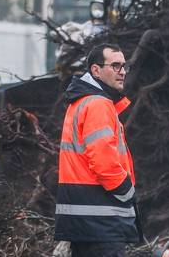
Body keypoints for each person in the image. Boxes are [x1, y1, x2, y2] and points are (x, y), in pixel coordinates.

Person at [54, 44, 142, 257]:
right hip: (101, 221)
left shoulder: (82, 101)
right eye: (115, 66)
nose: (122, 72)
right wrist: (128, 192)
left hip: (85, 220)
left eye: (124, 66)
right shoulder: (99, 105)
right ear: (96, 70)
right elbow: (104, 163)